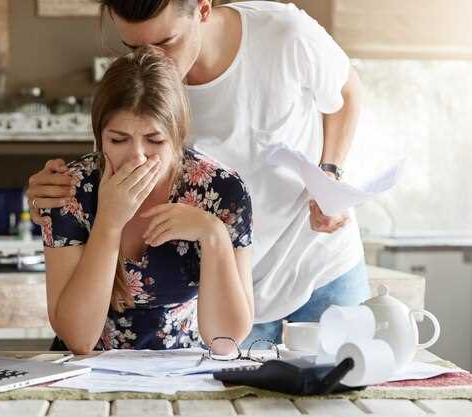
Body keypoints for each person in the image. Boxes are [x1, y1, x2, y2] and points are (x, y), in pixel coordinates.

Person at [28, 0, 369, 346]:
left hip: (314, 260)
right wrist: (55, 193)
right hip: (220, 288)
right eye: (133, 47)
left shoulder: (285, 35)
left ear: (203, 9)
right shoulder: (141, 91)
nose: (150, 61)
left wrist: (330, 175)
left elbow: (347, 92)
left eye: (165, 44)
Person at [42, 46, 254, 354]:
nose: (137, 156)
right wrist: (109, 223)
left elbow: (226, 340)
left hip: (185, 370)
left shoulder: (223, 191)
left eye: (154, 140)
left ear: (178, 136)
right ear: (99, 135)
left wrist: (213, 234)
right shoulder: (69, 190)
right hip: (88, 372)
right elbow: (78, 338)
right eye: (118, 140)